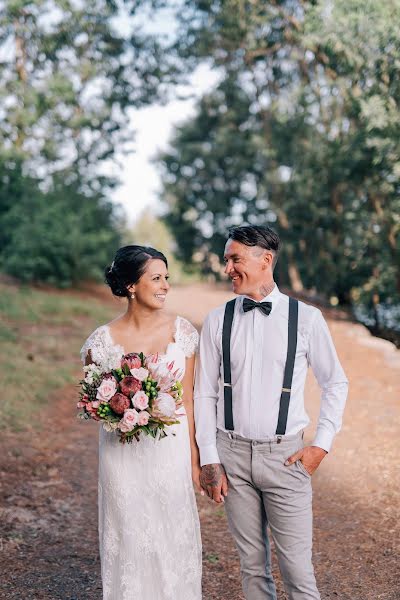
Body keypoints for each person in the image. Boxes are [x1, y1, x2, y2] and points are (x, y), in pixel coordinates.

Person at [194, 225, 348, 600]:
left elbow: (335, 383)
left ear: (265, 260)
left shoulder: (306, 319)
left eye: (235, 259)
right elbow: (204, 393)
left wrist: (320, 446)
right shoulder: (218, 319)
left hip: (286, 458)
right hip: (231, 456)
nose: (227, 268)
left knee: (297, 570)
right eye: (226, 259)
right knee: (252, 566)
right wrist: (210, 459)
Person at [80, 245, 202, 600]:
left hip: (170, 451)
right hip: (121, 457)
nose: (165, 286)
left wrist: (195, 460)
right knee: (128, 535)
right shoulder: (100, 341)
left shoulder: (183, 333)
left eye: (167, 278)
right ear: (131, 286)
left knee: (171, 534)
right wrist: (113, 408)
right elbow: (92, 400)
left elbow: (189, 399)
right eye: (156, 278)